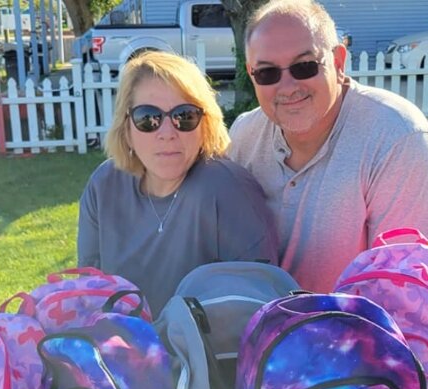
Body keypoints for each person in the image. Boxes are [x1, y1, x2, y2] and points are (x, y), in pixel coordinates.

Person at [228, 0, 428, 293]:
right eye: (267, 73)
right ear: (251, 73)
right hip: (258, 322)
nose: (288, 86)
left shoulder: (398, 135)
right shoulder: (244, 135)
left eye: (304, 66)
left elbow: (398, 287)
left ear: (339, 63)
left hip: (360, 328)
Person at [77, 51, 279, 317]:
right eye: (148, 118)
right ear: (126, 128)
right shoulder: (104, 186)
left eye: (184, 116)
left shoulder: (227, 190)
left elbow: (260, 307)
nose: (168, 133)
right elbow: (88, 294)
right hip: (119, 350)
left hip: (205, 355)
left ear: (205, 124)